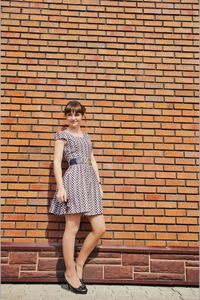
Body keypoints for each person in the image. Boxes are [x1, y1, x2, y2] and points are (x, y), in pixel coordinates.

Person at [49, 100, 106, 294]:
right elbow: (57, 163)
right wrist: (60, 187)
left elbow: (92, 160)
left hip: (89, 181)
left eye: (77, 114)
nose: (73, 118)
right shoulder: (62, 136)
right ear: (66, 116)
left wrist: (99, 184)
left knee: (99, 228)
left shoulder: (87, 136)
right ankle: (70, 273)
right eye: (70, 114)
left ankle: (79, 263)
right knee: (71, 228)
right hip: (73, 180)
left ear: (83, 116)